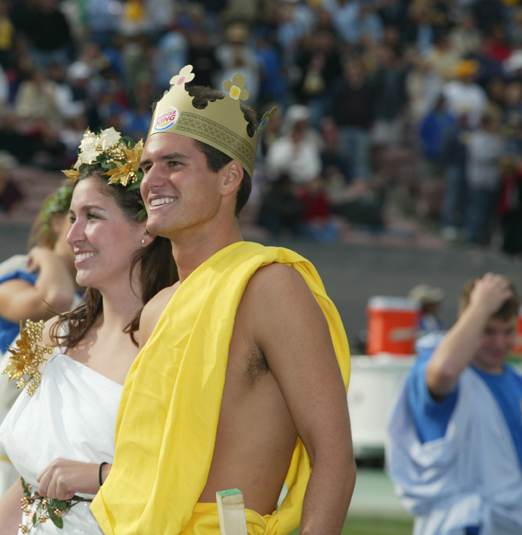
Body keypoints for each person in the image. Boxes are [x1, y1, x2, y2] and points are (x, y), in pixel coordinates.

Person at [91, 67, 354, 534]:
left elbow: (332, 456)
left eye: (175, 163)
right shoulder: (156, 309)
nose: (152, 180)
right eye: (148, 165)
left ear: (229, 177)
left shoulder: (270, 287)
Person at [0, 128, 177, 534]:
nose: (71, 237)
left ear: (146, 230)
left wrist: (101, 475)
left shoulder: (170, 343)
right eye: (72, 218)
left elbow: (190, 472)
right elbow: (28, 486)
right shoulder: (52, 336)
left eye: (92, 217)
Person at [0, 182, 82, 535]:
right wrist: (52, 258)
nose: (87, 231)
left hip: (58, 480)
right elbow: (56, 299)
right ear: (56, 220)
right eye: (78, 217)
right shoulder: (12, 280)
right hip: (1, 476)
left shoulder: (96, 299)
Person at [387, 274, 522, 535]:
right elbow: (444, 371)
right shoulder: (437, 368)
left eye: (508, 331)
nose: (500, 343)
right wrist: (481, 306)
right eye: (487, 330)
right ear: (468, 322)